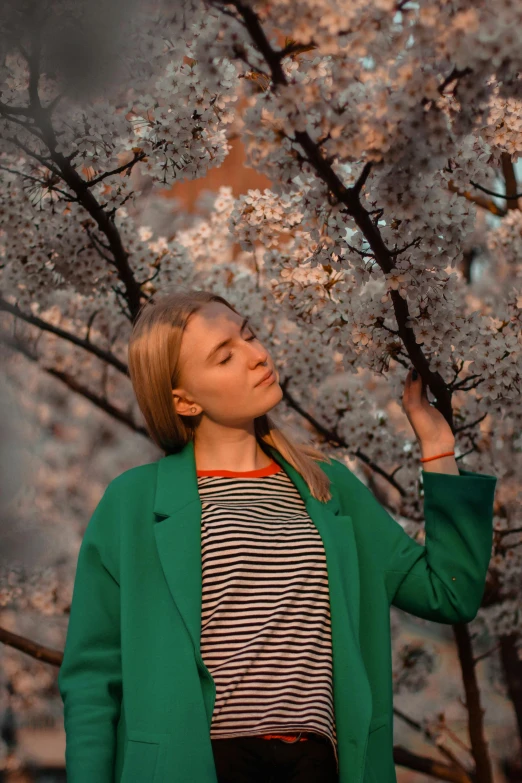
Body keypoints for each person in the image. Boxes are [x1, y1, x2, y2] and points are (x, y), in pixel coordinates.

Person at [58, 288, 497, 783]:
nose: (256, 355)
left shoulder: (328, 487)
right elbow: (93, 677)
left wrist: (438, 447)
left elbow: (449, 593)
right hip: (196, 765)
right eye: (225, 356)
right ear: (183, 399)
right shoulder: (133, 502)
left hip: (315, 765)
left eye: (249, 334)